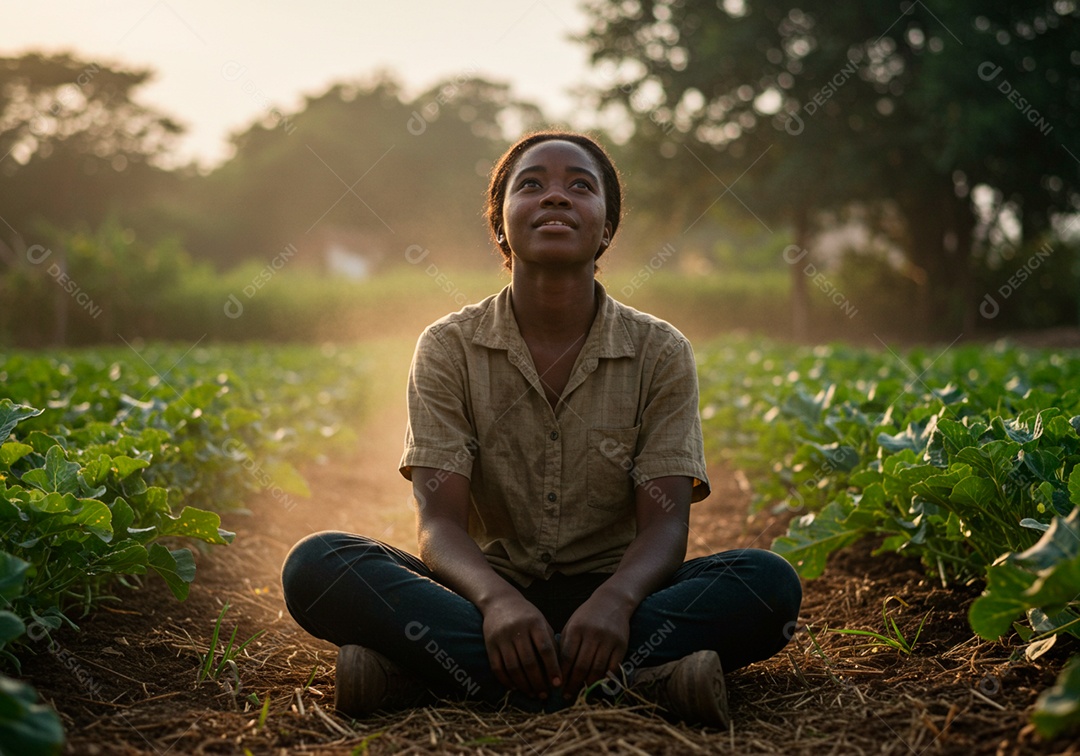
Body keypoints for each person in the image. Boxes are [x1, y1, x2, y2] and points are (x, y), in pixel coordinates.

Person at [281, 130, 802, 726]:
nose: (556, 197)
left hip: (623, 603)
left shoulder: (659, 350)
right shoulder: (448, 346)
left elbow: (667, 524)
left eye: (581, 187)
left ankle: (427, 679)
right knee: (317, 566)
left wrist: (614, 602)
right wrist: (499, 603)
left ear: (606, 228)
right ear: (501, 226)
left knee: (768, 584)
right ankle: (641, 683)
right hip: (479, 597)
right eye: (531, 185)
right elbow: (440, 524)